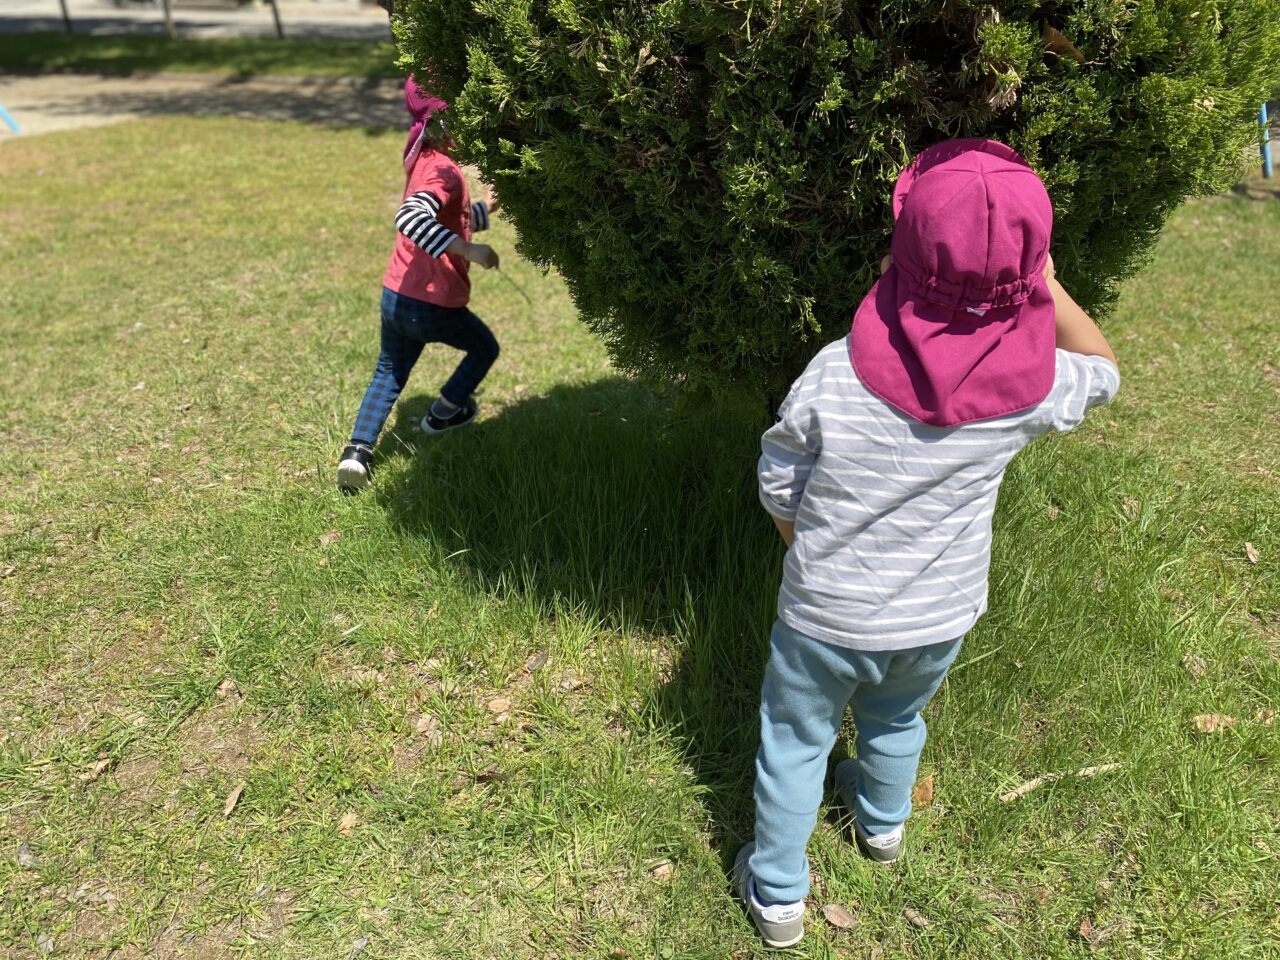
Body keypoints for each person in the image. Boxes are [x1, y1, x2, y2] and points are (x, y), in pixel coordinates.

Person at [735, 139, 1120, 948]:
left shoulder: (836, 372)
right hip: (939, 617)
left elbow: (778, 480)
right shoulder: (1032, 389)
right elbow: (1104, 368)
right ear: (1031, 272)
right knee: (897, 719)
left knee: (795, 743)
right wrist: (1047, 285)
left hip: (823, 618)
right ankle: (882, 828)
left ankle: (776, 895)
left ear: (896, 254)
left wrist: (802, 549)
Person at [337, 75, 502, 495]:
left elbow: (454, 218)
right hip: (433, 303)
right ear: (444, 123)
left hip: (395, 295)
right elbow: (411, 218)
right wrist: (470, 250)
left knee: (389, 371)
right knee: (484, 348)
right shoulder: (445, 171)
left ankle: (356, 453)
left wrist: (488, 207)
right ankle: (444, 414)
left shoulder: (423, 159)